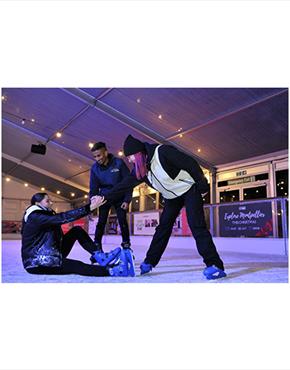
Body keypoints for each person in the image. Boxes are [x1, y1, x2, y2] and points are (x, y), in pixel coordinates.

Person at [102, 134, 226, 280]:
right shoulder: (141, 170)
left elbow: (190, 163)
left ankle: (215, 265)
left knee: (196, 225)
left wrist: (202, 185)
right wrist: (104, 197)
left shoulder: (162, 152)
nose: (129, 160)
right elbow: (123, 185)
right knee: (163, 229)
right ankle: (149, 261)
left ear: (139, 154)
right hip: (171, 197)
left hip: (189, 190)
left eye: (130, 157)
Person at [21, 192, 135, 277]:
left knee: (76, 230)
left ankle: (99, 256)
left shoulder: (45, 214)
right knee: (76, 266)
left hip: (50, 253)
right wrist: (88, 208)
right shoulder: (35, 216)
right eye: (47, 201)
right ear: (37, 203)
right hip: (37, 263)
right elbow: (61, 218)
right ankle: (113, 271)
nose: (51, 203)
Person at [89, 142, 133, 265]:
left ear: (106, 152)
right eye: (95, 157)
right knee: (101, 222)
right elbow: (93, 188)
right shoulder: (94, 168)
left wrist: (127, 199)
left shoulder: (118, 163)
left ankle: (126, 247)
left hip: (119, 197)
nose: (97, 159)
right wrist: (91, 203)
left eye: (99, 155)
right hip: (104, 197)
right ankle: (96, 248)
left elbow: (128, 182)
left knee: (122, 221)